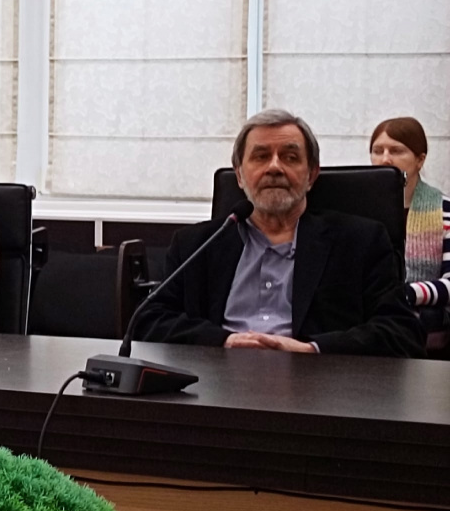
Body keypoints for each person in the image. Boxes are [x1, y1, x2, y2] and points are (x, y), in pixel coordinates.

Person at [136, 109, 424, 356]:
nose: (274, 167)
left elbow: (401, 331)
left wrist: (311, 350)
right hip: (216, 385)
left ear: (311, 175)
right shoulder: (196, 245)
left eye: (290, 157)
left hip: (318, 388)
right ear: (239, 175)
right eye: (261, 156)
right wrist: (224, 341)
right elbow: (148, 320)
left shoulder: (360, 242)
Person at [370, 117, 449, 315]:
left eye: (396, 151)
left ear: (420, 160)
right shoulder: (357, 210)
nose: (385, 159)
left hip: (426, 322)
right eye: (377, 151)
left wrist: (405, 294)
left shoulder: (445, 210)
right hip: (367, 323)